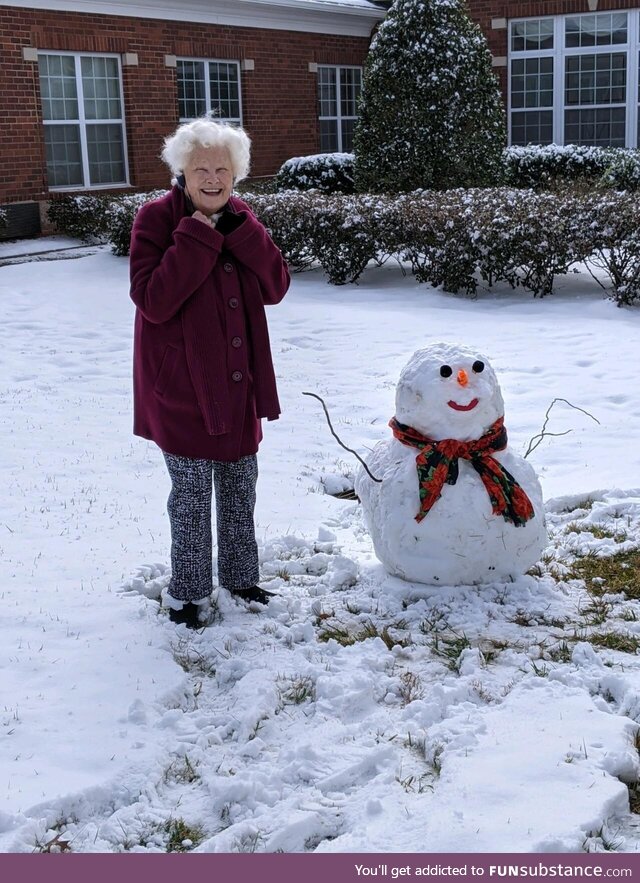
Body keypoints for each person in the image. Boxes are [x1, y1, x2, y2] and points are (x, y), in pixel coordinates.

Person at [129, 118, 290, 629]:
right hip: (182, 388)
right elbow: (153, 301)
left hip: (238, 384)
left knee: (241, 485)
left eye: (223, 168)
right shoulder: (156, 219)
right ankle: (188, 594)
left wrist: (243, 234)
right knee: (193, 494)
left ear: (237, 172)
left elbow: (276, 285)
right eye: (202, 168)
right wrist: (196, 238)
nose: (213, 178)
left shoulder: (242, 216)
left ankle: (241, 577)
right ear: (183, 170)